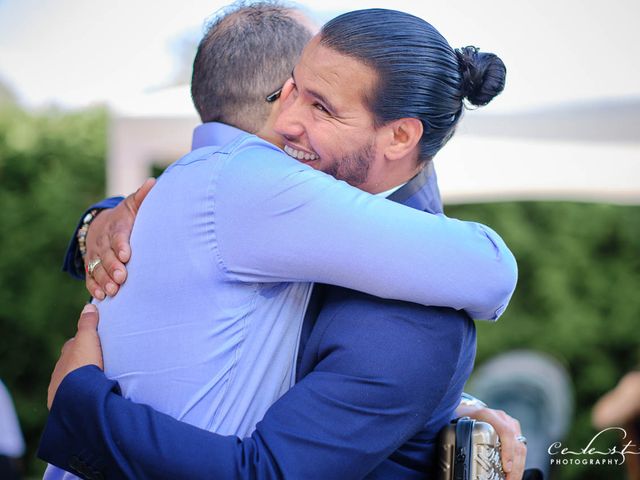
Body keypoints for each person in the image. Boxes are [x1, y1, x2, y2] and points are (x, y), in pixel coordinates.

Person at [40, 5, 526, 479]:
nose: (286, 120)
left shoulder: (418, 316)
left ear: (400, 136)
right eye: (289, 91)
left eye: (320, 105)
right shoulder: (244, 186)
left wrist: (80, 403)